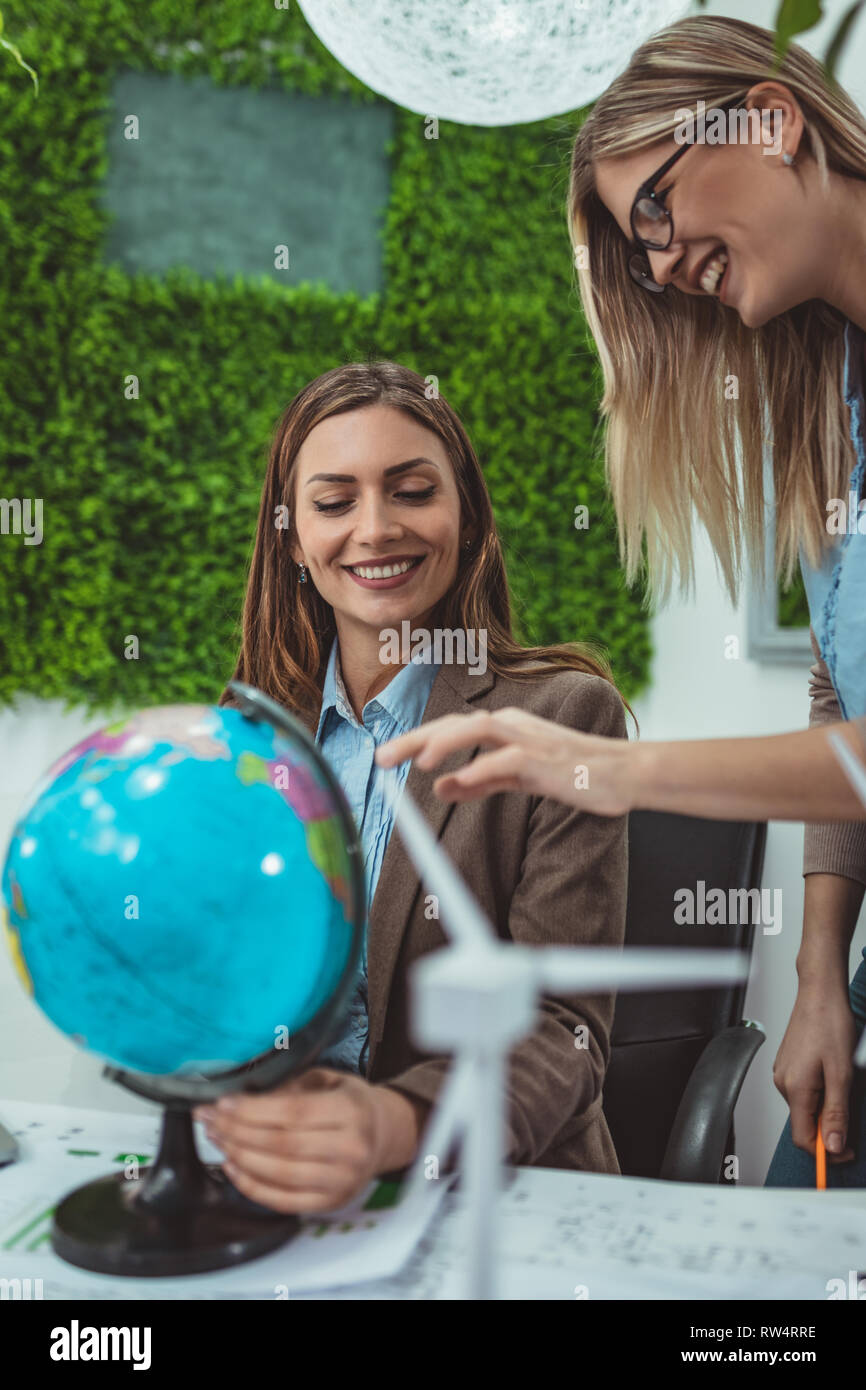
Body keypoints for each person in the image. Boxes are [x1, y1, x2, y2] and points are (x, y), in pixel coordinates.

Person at [377, 16, 866, 1185]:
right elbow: (835, 691)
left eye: (649, 211)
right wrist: (816, 980)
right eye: (630, 244)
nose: (652, 264)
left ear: (769, 120)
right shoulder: (832, 398)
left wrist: (594, 767)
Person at [193, 360, 631, 1213]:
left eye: (411, 491)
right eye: (333, 502)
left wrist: (391, 1124)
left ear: (465, 516)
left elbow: (563, 1032)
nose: (375, 528)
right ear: (291, 538)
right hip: (286, 1195)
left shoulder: (565, 716)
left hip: (501, 1199)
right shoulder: (245, 741)